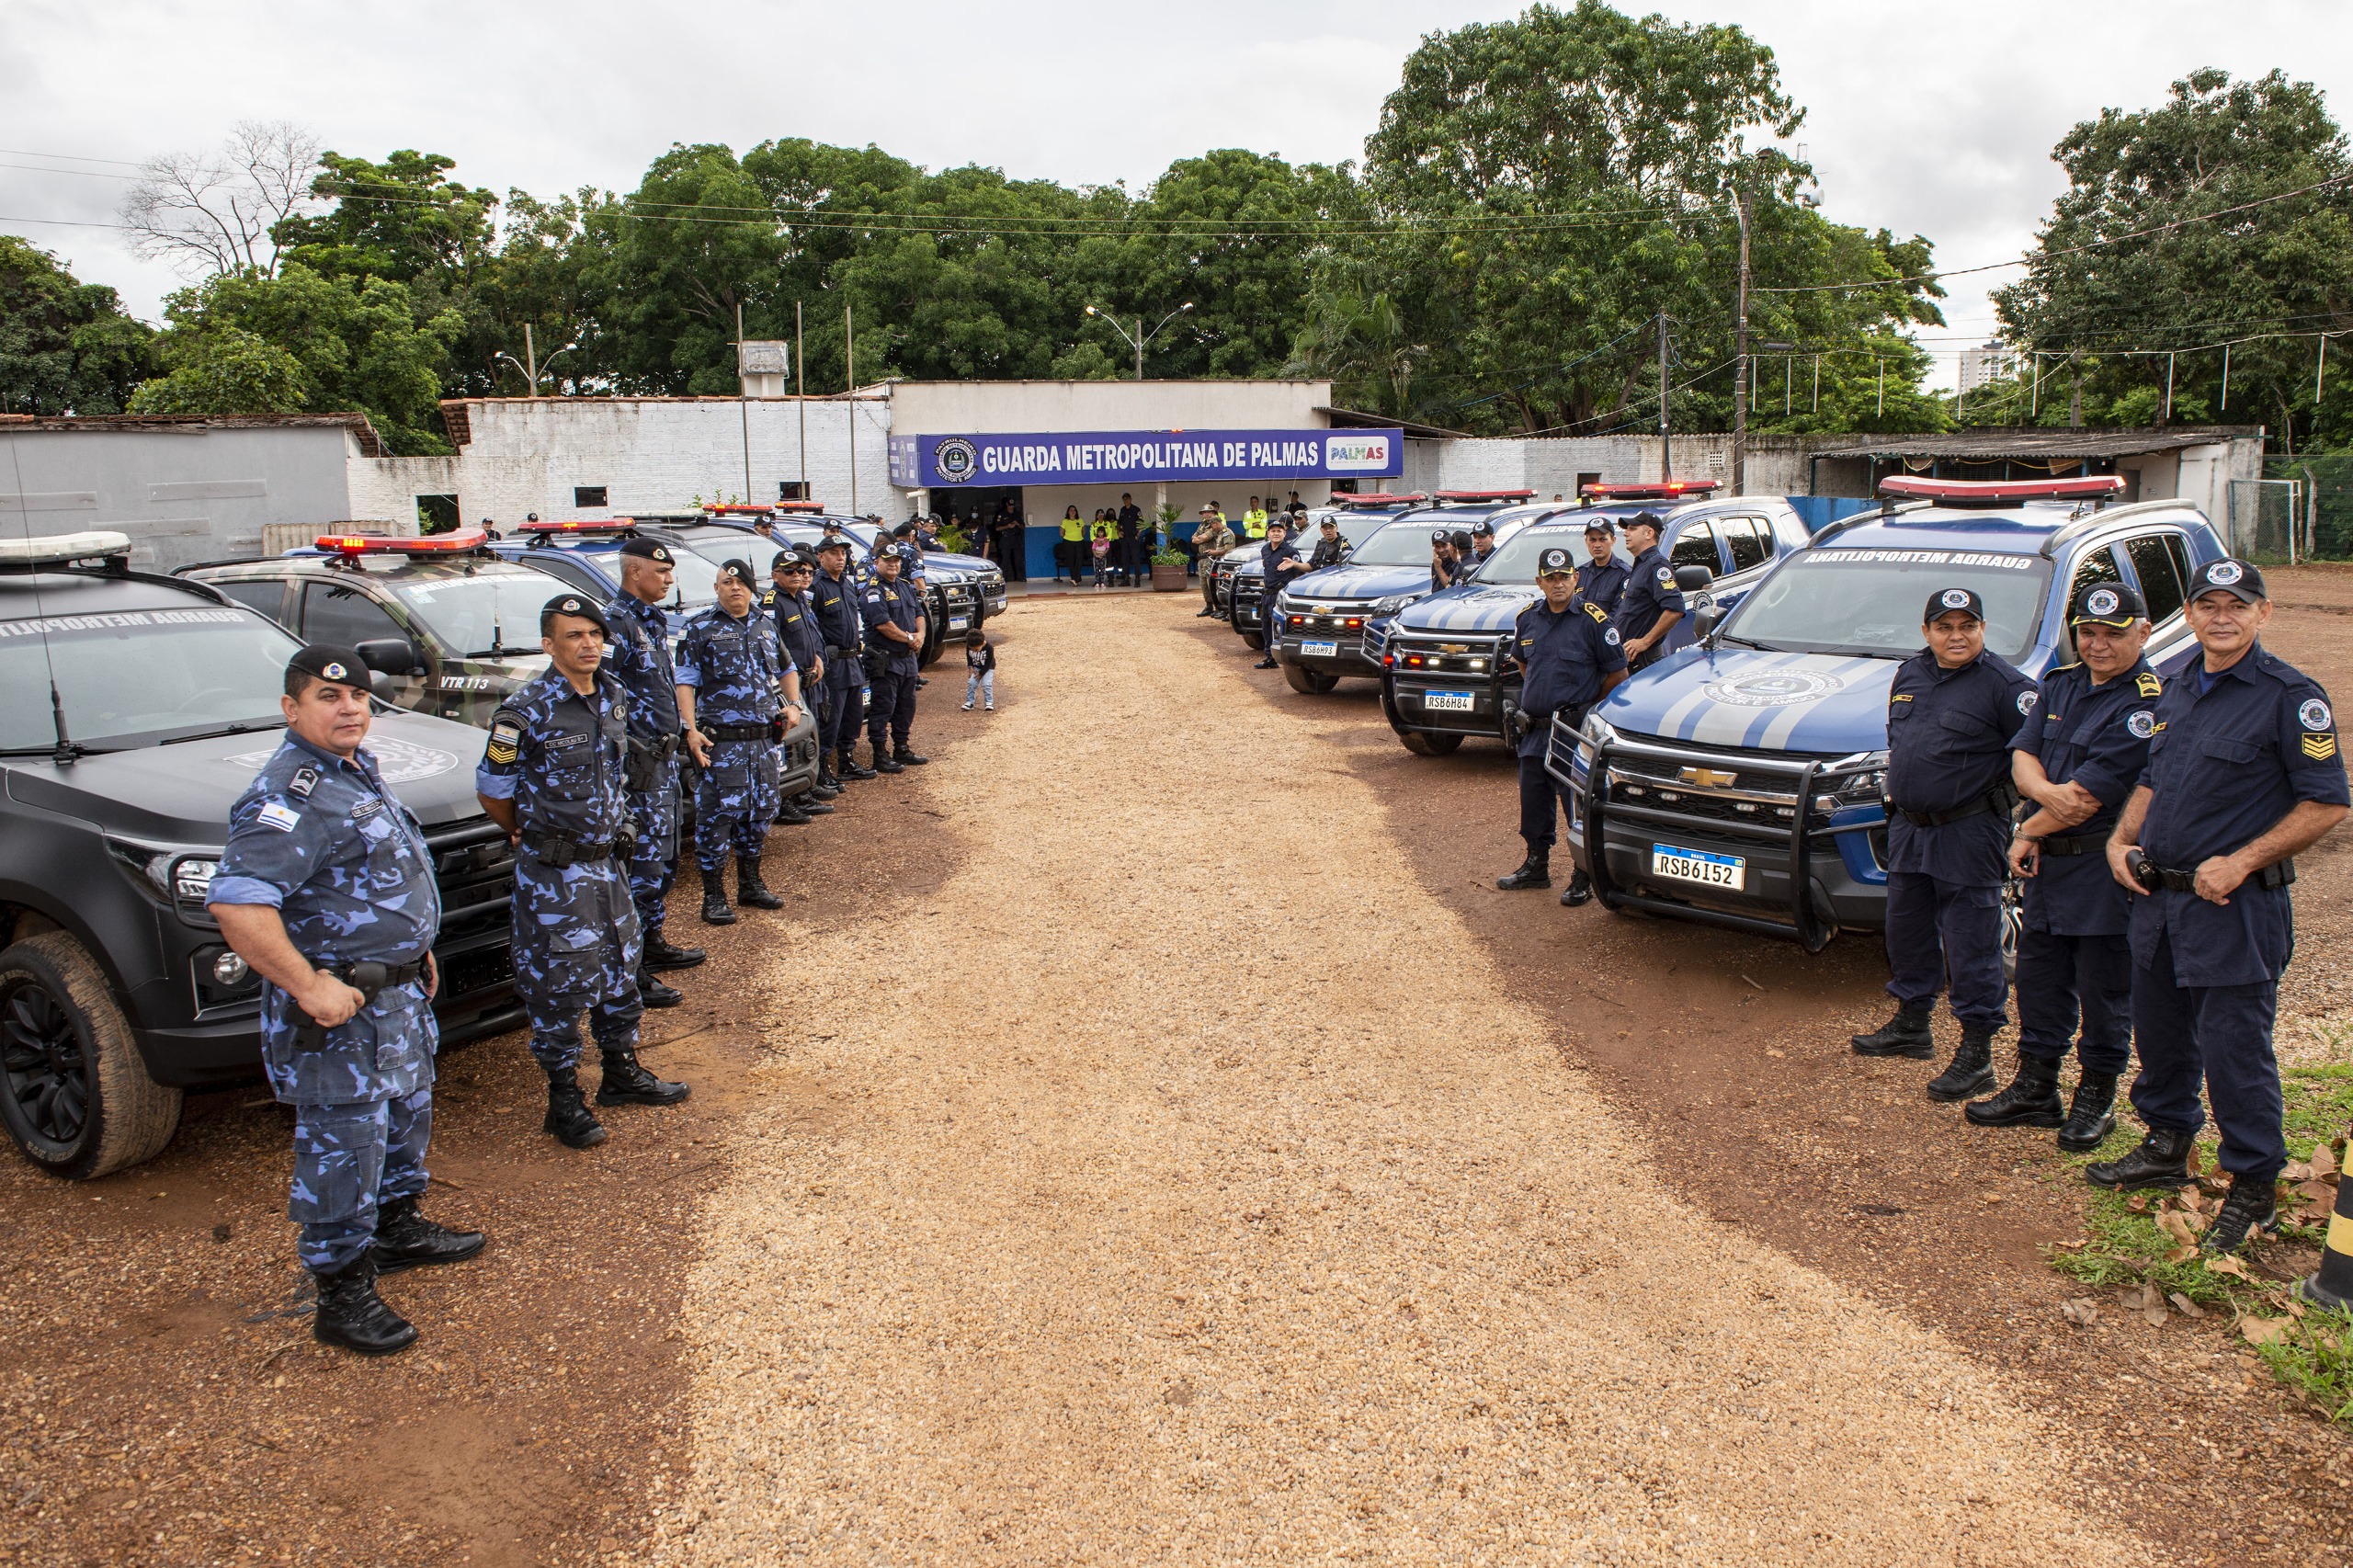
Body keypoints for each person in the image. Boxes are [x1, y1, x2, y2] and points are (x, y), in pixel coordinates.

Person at [209, 644, 485, 1357]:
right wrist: (308, 985)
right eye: (329, 698)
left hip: (393, 996)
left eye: (358, 696)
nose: (349, 708)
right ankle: (341, 1291)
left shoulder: (353, 771)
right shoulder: (289, 795)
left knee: (403, 1117)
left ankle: (395, 1229)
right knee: (344, 1146)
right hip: (340, 1014)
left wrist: (411, 948)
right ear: (291, 708)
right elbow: (238, 905)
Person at [2091, 558, 2350, 1252]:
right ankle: (2167, 1143)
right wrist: (2120, 840)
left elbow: (2327, 801)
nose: (2222, 617)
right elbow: (2153, 778)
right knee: (2160, 1035)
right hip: (2160, 901)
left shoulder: (2290, 697)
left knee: (2236, 1051)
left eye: (2238, 605)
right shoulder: (2177, 687)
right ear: (2190, 616)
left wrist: (2243, 859)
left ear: (2264, 613)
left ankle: (2254, 1187)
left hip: (2235, 908)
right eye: (2208, 605)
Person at [478, 594, 689, 1152]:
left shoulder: (613, 695)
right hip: (555, 874)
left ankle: (621, 1071)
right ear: (549, 645)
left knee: (621, 964)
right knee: (559, 982)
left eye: (594, 634)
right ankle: (564, 1097)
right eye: (574, 635)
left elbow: (614, 774)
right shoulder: (525, 711)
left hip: (608, 866)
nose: (588, 644)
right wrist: (526, 831)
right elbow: (493, 789)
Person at [1971, 582, 2158, 1146]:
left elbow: (2088, 798)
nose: (2098, 645)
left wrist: (2029, 826)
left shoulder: (2148, 704)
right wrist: (2046, 802)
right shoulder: (2061, 683)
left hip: (2102, 871)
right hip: (2050, 867)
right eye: (2088, 633)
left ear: (2143, 632)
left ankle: (2096, 1097)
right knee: (2040, 980)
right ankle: (2037, 1087)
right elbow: (2023, 757)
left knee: (2104, 990)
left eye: (2112, 635)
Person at [1848, 586, 2035, 1102]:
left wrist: (2031, 828)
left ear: (1983, 629)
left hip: (1969, 830)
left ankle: (1977, 1054)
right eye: (1945, 627)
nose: (1957, 636)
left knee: (1971, 941)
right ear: (1926, 631)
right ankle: (1913, 1025)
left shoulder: (2008, 688)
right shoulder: (1910, 674)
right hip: (1910, 826)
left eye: (1967, 626)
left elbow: (2036, 761)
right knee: (1906, 929)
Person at [601, 536, 704, 1012]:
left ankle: (653, 941)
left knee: (663, 857)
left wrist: (684, 732)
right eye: (661, 572)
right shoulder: (615, 624)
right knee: (640, 863)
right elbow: (604, 698)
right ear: (634, 571)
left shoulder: (651, 620)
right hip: (636, 768)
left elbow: (660, 687)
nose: (668, 579)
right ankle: (632, 967)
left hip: (661, 761)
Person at [1495, 550, 1630, 905]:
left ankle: (1583, 874)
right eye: (1551, 578)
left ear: (1576, 579)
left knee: (1577, 806)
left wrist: (1583, 709)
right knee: (1534, 802)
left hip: (1572, 732)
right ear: (1539, 582)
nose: (1558, 584)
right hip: (1535, 730)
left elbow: (1618, 674)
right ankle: (1536, 866)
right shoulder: (1528, 618)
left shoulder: (1593, 621)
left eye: (1564, 577)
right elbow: (1524, 665)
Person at [677, 560, 795, 922]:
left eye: (740, 582)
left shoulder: (765, 624)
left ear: (750, 587)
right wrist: (689, 728)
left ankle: (750, 885)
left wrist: (793, 705)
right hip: (722, 744)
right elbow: (685, 680)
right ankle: (713, 896)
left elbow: (787, 668)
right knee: (716, 819)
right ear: (716, 589)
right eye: (726, 583)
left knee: (760, 812)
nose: (734, 588)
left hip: (763, 743)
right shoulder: (699, 628)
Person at [767, 551, 836, 817]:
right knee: (790, 742)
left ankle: (807, 788)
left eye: (800, 571)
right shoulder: (774, 603)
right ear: (775, 575)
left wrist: (817, 657)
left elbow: (809, 636)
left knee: (809, 735)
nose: (797, 575)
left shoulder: (799, 599)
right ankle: (788, 799)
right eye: (790, 571)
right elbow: (773, 648)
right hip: (791, 687)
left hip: (811, 679)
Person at [812, 537, 873, 785]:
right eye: (834, 553)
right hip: (832, 663)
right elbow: (811, 628)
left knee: (853, 715)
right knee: (831, 718)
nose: (840, 558)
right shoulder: (816, 587)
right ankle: (822, 768)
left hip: (852, 660)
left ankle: (846, 760)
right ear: (821, 556)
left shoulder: (847, 584)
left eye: (843, 553)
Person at [861, 545, 929, 771]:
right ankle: (880, 754)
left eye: (896, 560)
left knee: (906, 706)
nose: (893, 564)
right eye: (887, 560)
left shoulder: (904, 586)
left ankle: (902, 747)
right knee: (884, 707)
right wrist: (910, 638)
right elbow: (883, 625)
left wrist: (920, 635)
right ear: (876, 563)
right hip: (886, 660)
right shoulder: (873, 591)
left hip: (907, 659)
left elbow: (919, 613)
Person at [1611, 512, 1686, 671]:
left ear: (1649, 533)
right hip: (1628, 660)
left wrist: (1645, 641)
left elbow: (1675, 609)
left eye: (1632, 529)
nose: (1626, 533)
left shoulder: (1656, 565)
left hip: (1643, 661)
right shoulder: (1641, 564)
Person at [1253, 517, 1306, 670]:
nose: (1276, 533)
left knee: (1280, 626)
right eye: (1273, 531)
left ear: (1284, 533)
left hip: (1280, 594)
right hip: (1267, 594)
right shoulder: (1265, 549)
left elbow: (1298, 575)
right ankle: (1270, 657)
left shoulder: (1290, 551)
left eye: (1279, 531)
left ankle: (1287, 658)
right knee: (1266, 625)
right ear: (1268, 534)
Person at [1573, 519, 1629, 617]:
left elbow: (1619, 616)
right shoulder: (1580, 573)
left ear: (1613, 540)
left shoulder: (1624, 574)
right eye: (1592, 540)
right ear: (1586, 541)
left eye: (1603, 539)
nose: (1597, 545)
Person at [1193, 506, 1235, 616]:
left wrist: (1200, 539)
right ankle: (1209, 606)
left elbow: (1204, 538)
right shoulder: (1202, 525)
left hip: (1212, 558)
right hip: (1202, 558)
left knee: (1212, 584)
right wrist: (1199, 539)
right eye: (1204, 512)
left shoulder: (1219, 529)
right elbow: (1194, 539)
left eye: (1209, 512)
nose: (1206, 514)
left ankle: (1219, 607)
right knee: (1204, 584)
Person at [962, 628, 996, 712]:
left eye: (977, 650)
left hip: (988, 668)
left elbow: (989, 662)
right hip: (976, 667)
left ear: (982, 642)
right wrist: (970, 667)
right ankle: (970, 702)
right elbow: (969, 657)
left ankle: (989, 703)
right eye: (972, 649)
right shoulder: (969, 646)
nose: (974, 651)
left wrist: (981, 673)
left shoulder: (989, 648)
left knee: (986, 684)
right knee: (971, 683)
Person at [1429, 528, 1468, 592]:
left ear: (1450, 545)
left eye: (1444, 545)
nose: (1441, 550)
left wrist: (1438, 568)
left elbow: (1452, 588)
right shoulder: (1436, 563)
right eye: (1437, 547)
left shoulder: (1457, 563)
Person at [1118, 493, 1143, 583]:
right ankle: (1126, 578)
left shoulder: (1136, 510)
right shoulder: (1122, 510)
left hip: (1133, 537)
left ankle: (1137, 578)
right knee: (1124, 558)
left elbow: (1141, 523)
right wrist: (1118, 532)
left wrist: (1138, 535)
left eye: (1127, 499)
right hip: (1125, 538)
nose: (1126, 501)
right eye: (1124, 499)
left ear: (1130, 499)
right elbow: (1119, 523)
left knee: (1135, 558)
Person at [1058, 505, 1086, 584]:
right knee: (1071, 560)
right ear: (1068, 512)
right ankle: (1074, 578)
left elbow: (1084, 531)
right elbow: (1061, 533)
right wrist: (1068, 538)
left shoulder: (1080, 520)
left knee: (1079, 560)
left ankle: (1076, 578)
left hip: (1079, 542)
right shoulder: (1065, 521)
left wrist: (1079, 537)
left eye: (1074, 510)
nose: (1073, 512)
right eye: (1071, 510)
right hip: (1068, 543)